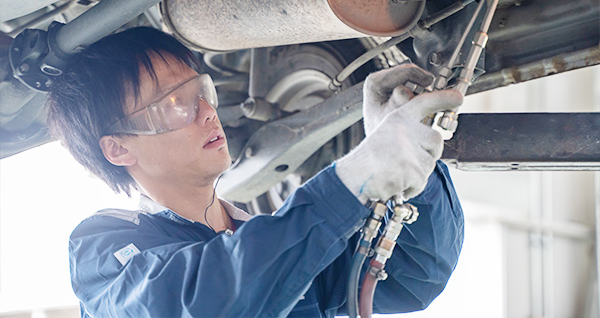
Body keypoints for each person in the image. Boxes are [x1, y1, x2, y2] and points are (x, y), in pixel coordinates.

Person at [47, 27, 464, 318]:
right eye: (175, 103)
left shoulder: (274, 237)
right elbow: (203, 303)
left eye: (201, 93)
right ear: (118, 148)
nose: (208, 113)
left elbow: (412, 277)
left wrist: (411, 165)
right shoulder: (104, 253)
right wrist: (354, 179)